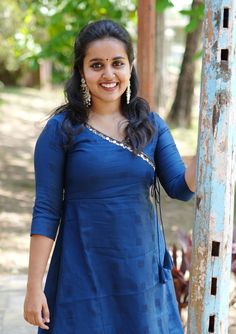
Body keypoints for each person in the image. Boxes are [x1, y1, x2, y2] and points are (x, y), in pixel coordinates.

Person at [23, 19, 196, 334]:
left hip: (141, 274)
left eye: (117, 63)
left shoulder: (151, 126)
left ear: (129, 67)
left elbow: (181, 189)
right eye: (96, 65)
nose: (108, 74)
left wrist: (211, 149)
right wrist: (34, 286)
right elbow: (47, 209)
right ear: (81, 71)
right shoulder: (61, 131)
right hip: (82, 271)